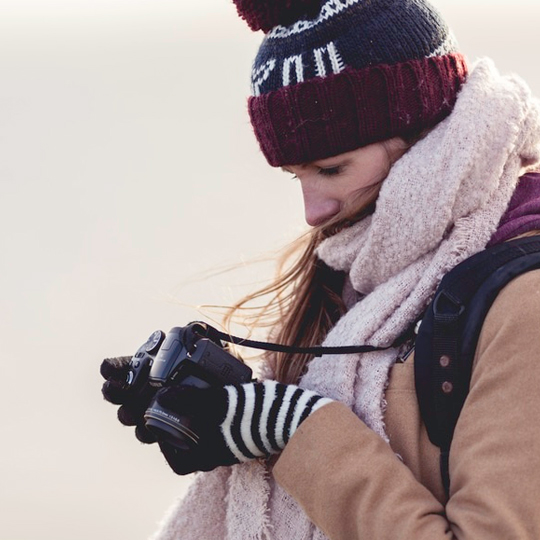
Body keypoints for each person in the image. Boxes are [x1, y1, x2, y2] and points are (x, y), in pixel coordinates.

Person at [101, 0, 540, 538]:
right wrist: (228, 403)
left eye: (331, 168)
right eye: (296, 176)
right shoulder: (365, 265)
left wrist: (294, 429)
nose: (313, 212)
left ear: (425, 133)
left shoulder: (525, 301)